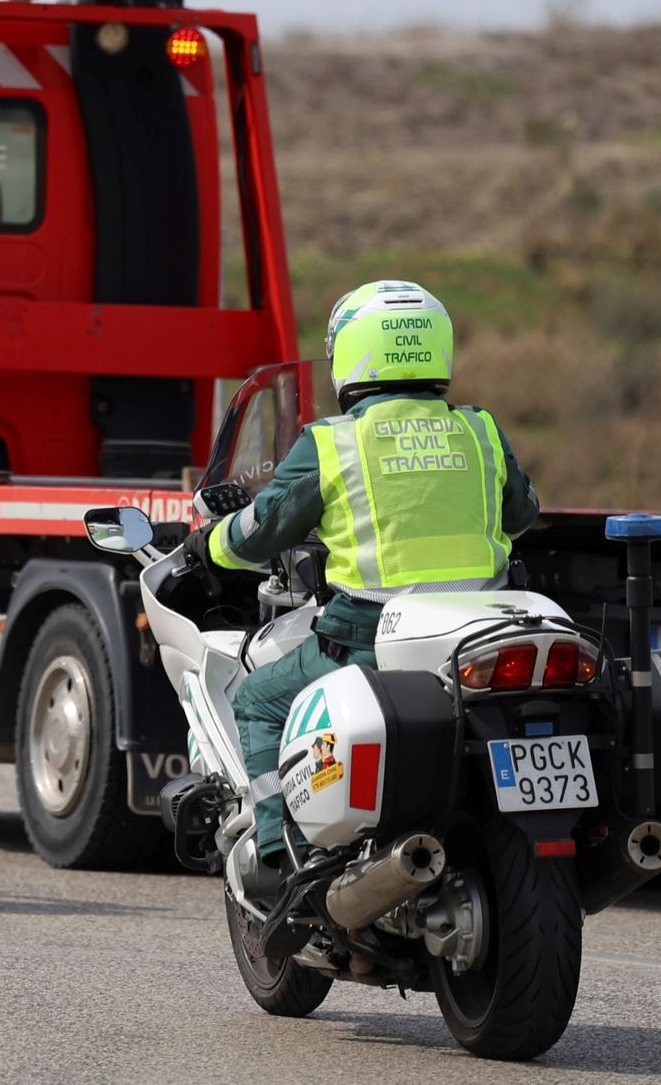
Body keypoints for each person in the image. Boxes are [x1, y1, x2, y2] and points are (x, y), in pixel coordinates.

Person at [185, 281, 540, 878]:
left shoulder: (333, 441)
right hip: (480, 632)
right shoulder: (480, 430)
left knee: (258, 700)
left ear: (351, 352)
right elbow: (522, 513)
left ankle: (279, 857)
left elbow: (258, 533)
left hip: (369, 637)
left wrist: (207, 544)